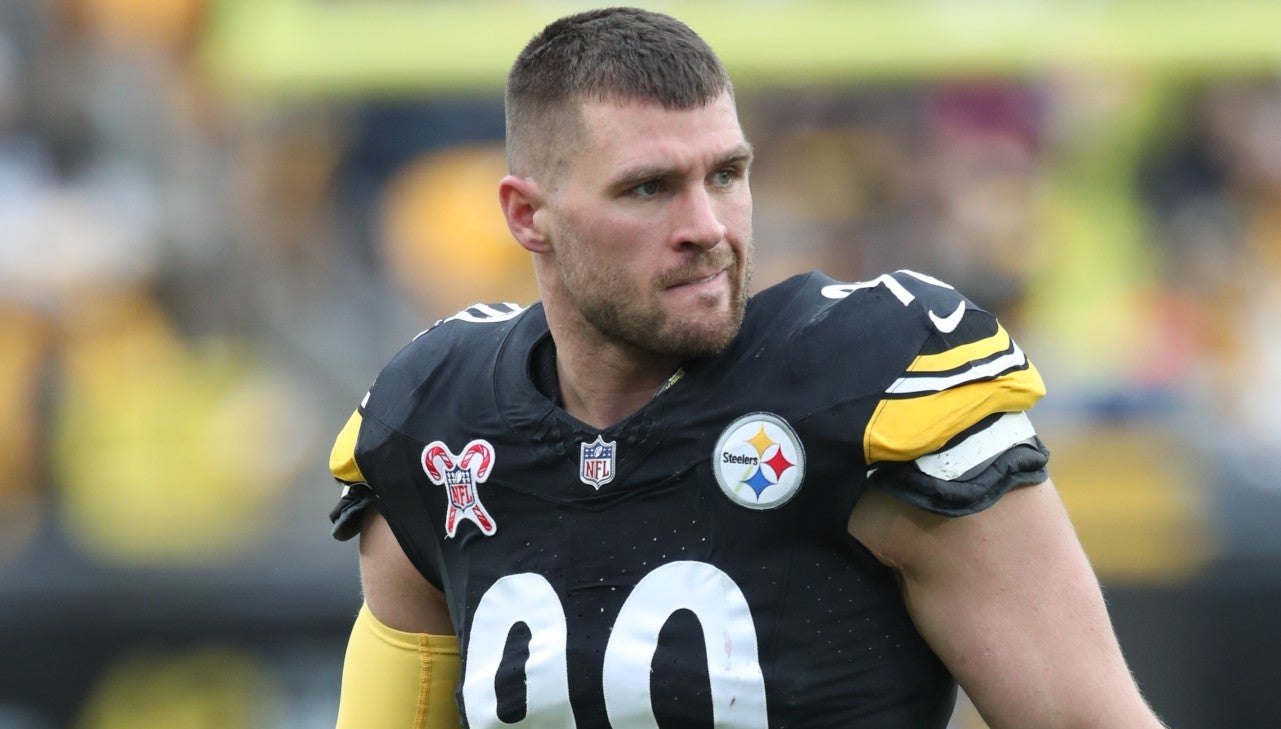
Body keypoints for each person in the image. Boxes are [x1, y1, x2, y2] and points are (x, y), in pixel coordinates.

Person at [327, 7, 1167, 728]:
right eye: (649, 188)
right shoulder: (440, 426)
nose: (707, 225)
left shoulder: (865, 390)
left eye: (726, 174)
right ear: (527, 215)